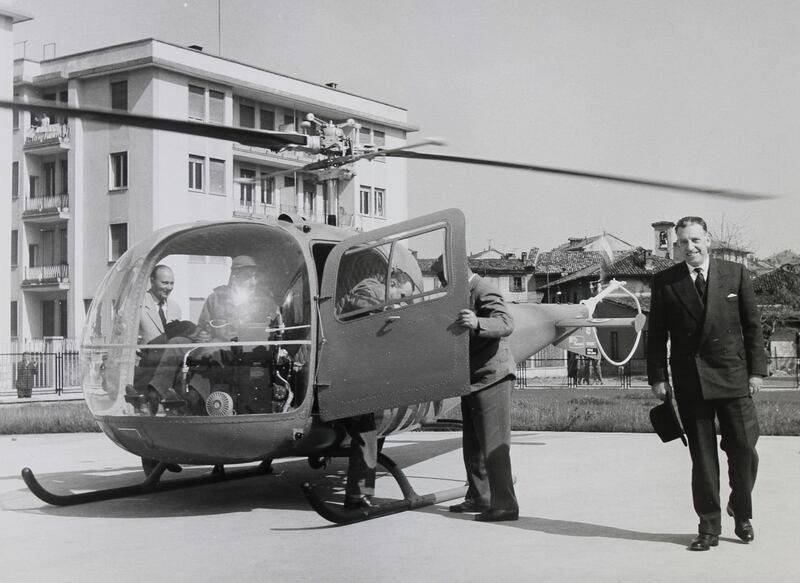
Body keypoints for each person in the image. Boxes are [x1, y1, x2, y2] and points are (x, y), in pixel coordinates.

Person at [647, 216, 766, 551]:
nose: (690, 247)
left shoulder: (735, 273)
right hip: (690, 380)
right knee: (703, 458)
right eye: (682, 242)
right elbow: (657, 335)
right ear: (675, 246)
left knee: (744, 450)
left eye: (696, 240)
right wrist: (658, 377)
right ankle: (709, 526)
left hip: (733, 376)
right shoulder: (665, 282)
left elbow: (753, 327)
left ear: (708, 240)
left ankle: (741, 511)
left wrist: (756, 372)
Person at [336, 268, 415, 509]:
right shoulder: (370, 289)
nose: (404, 301)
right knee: (366, 433)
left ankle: (362, 491)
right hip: (346, 375)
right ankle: (358, 497)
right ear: (392, 284)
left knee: (372, 431)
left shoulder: (376, 292)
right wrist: (388, 309)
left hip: (356, 374)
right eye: (402, 295)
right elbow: (361, 303)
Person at [447, 262, 519, 522]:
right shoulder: (464, 292)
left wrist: (477, 321)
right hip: (474, 377)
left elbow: (506, 322)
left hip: (493, 377)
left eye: (446, 277)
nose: (444, 283)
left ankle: (506, 505)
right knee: (474, 445)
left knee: (494, 445)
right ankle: (480, 497)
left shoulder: (483, 289)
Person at [139, 265, 182, 345]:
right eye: (165, 283)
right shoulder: (138, 304)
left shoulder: (175, 308)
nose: (169, 288)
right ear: (152, 281)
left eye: (172, 283)